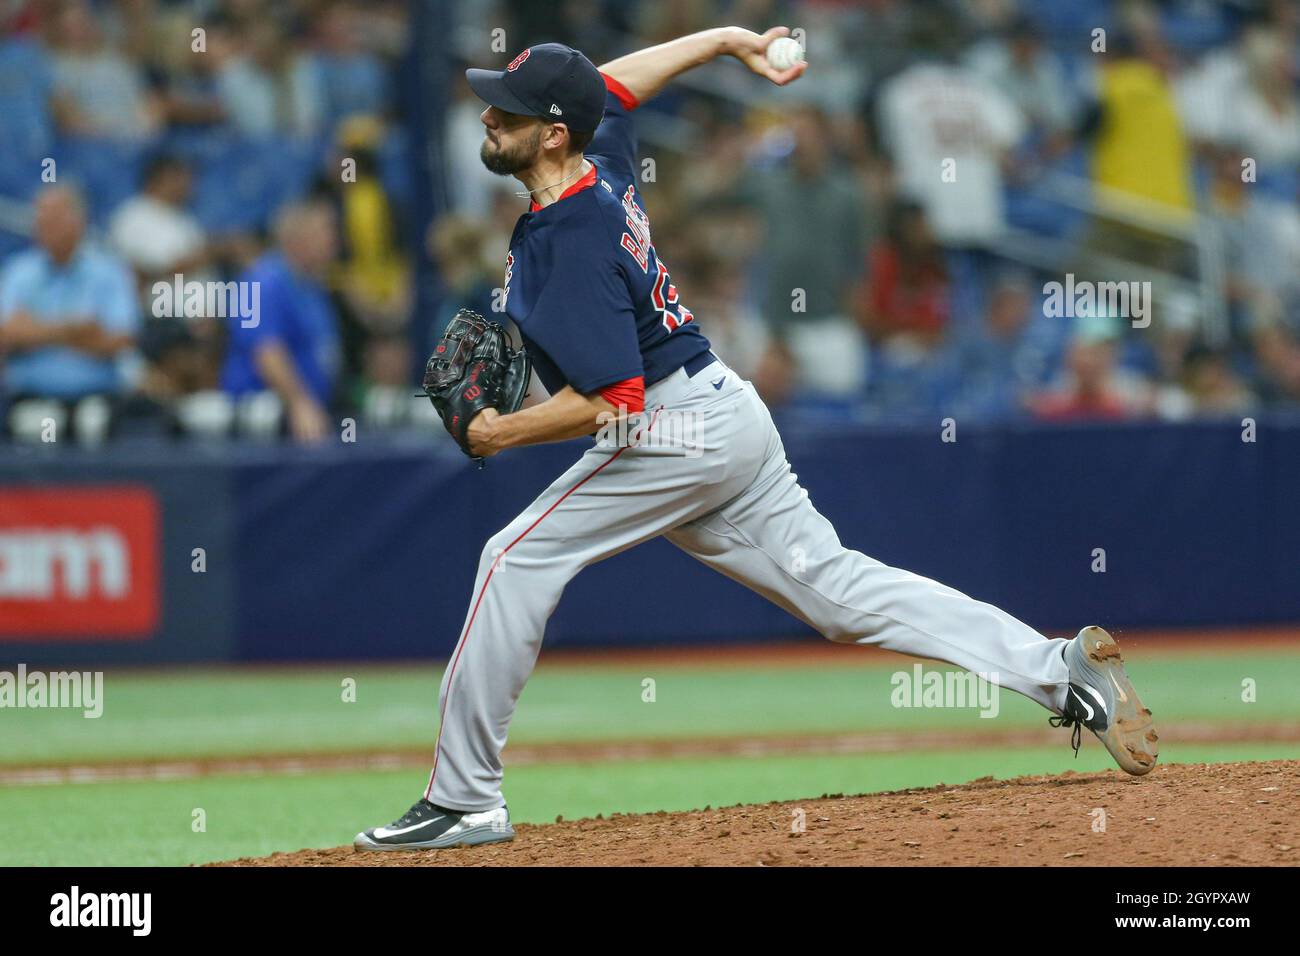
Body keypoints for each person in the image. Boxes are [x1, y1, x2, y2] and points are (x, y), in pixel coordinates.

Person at [354, 28, 1159, 853]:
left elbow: (613, 398)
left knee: (513, 558)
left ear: (553, 134)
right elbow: (613, 86)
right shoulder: (602, 162)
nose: (488, 117)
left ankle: (465, 798)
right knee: (839, 596)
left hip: (671, 424)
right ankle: (1057, 669)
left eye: (509, 111)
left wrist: (499, 432)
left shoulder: (573, 235)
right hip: (723, 411)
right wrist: (725, 41)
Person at [0, 184, 139, 403]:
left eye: (55, 219)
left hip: (98, 397)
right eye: (41, 218)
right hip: (26, 397)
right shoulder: (18, 271)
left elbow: (121, 340)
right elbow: (6, 335)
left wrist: (34, 331)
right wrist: (75, 331)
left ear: (80, 223)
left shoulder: (110, 271)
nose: (44, 226)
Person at [220, 200, 340, 443]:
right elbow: (267, 351)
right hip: (267, 429)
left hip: (308, 418)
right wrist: (299, 404)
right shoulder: (260, 283)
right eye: (325, 232)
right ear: (297, 238)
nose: (334, 241)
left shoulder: (310, 284)